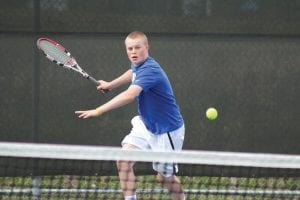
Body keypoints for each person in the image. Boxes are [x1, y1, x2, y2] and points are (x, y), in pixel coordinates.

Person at [75, 31, 185, 200]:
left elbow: (129, 95)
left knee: (163, 177)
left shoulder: (150, 70)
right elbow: (132, 73)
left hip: (166, 130)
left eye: (137, 48)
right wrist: (111, 85)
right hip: (145, 124)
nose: (133, 52)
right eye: (130, 48)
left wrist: (98, 110)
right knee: (123, 160)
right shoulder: (139, 64)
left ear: (147, 47)